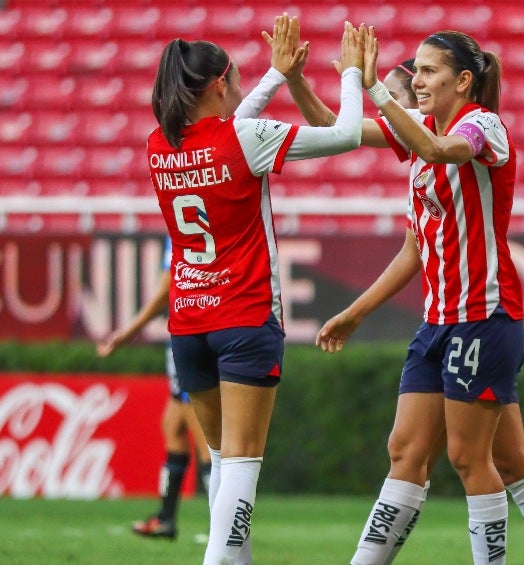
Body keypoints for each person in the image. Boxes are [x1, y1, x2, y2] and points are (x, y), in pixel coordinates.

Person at [296, 29, 524, 564]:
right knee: (424, 452)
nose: (419, 80)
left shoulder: (482, 125)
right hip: (436, 323)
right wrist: (293, 78)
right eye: (417, 71)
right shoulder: (422, 130)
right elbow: (335, 134)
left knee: (469, 459)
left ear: (464, 80)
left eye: (429, 71)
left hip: (483, 318)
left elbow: (438, 149)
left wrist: (378, 86)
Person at [146, 16, 366, 564]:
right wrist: (354, 78)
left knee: (223, 461)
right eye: (239, 80)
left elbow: (228, 132)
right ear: (220, 86)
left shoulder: (158, 145)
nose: (244, 89)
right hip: (244, 317)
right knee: (242, 465)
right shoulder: (241, 138)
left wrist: (273, 77)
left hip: (190, 321)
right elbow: (344, 135)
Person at [97, 237, 212, 541]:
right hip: (205, 329)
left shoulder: (180, 224)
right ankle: (166, 518)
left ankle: (224, 527)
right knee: (172, 424)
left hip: (191, 332)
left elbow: (166, 290)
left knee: (205, 437)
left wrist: (128, 331)